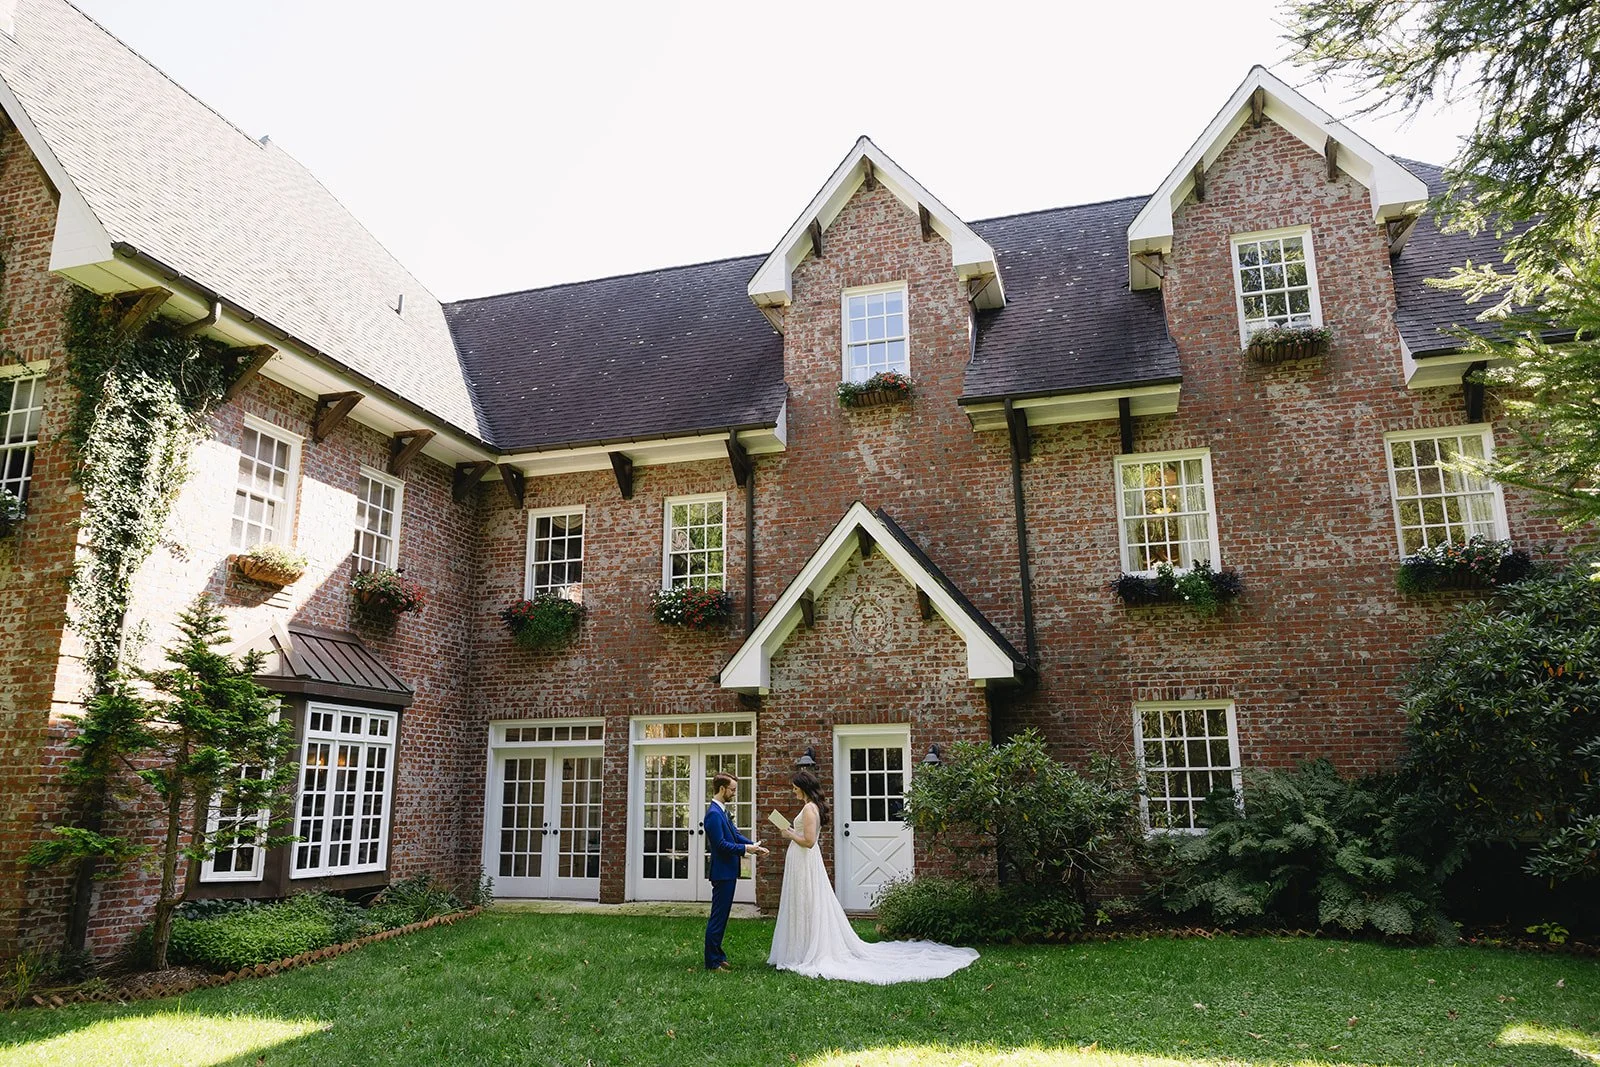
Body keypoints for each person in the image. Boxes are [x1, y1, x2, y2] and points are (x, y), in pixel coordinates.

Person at [768, 768, 978, 983]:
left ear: (803, 788)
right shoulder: (808, 807)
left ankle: (808, 949)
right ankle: (799, 948)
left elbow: (810, 842)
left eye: (795, 789)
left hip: (806, 860)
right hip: (800, 860)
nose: (793, 792)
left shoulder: (810, 809)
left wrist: (789, 833)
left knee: (808, 901)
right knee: (801, 902)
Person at [704, 772, 766, 972]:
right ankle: (712, 962)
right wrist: (746, 850)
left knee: (722, 918)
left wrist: (753, 846)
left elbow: (735, 835)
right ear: (722, 789)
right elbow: (721, 845)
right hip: (722, 873)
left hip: (729, 872)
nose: (734, 793)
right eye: (732, 790)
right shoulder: (713, 814)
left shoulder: (722, 811)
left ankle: (718, 955)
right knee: (718, 918)